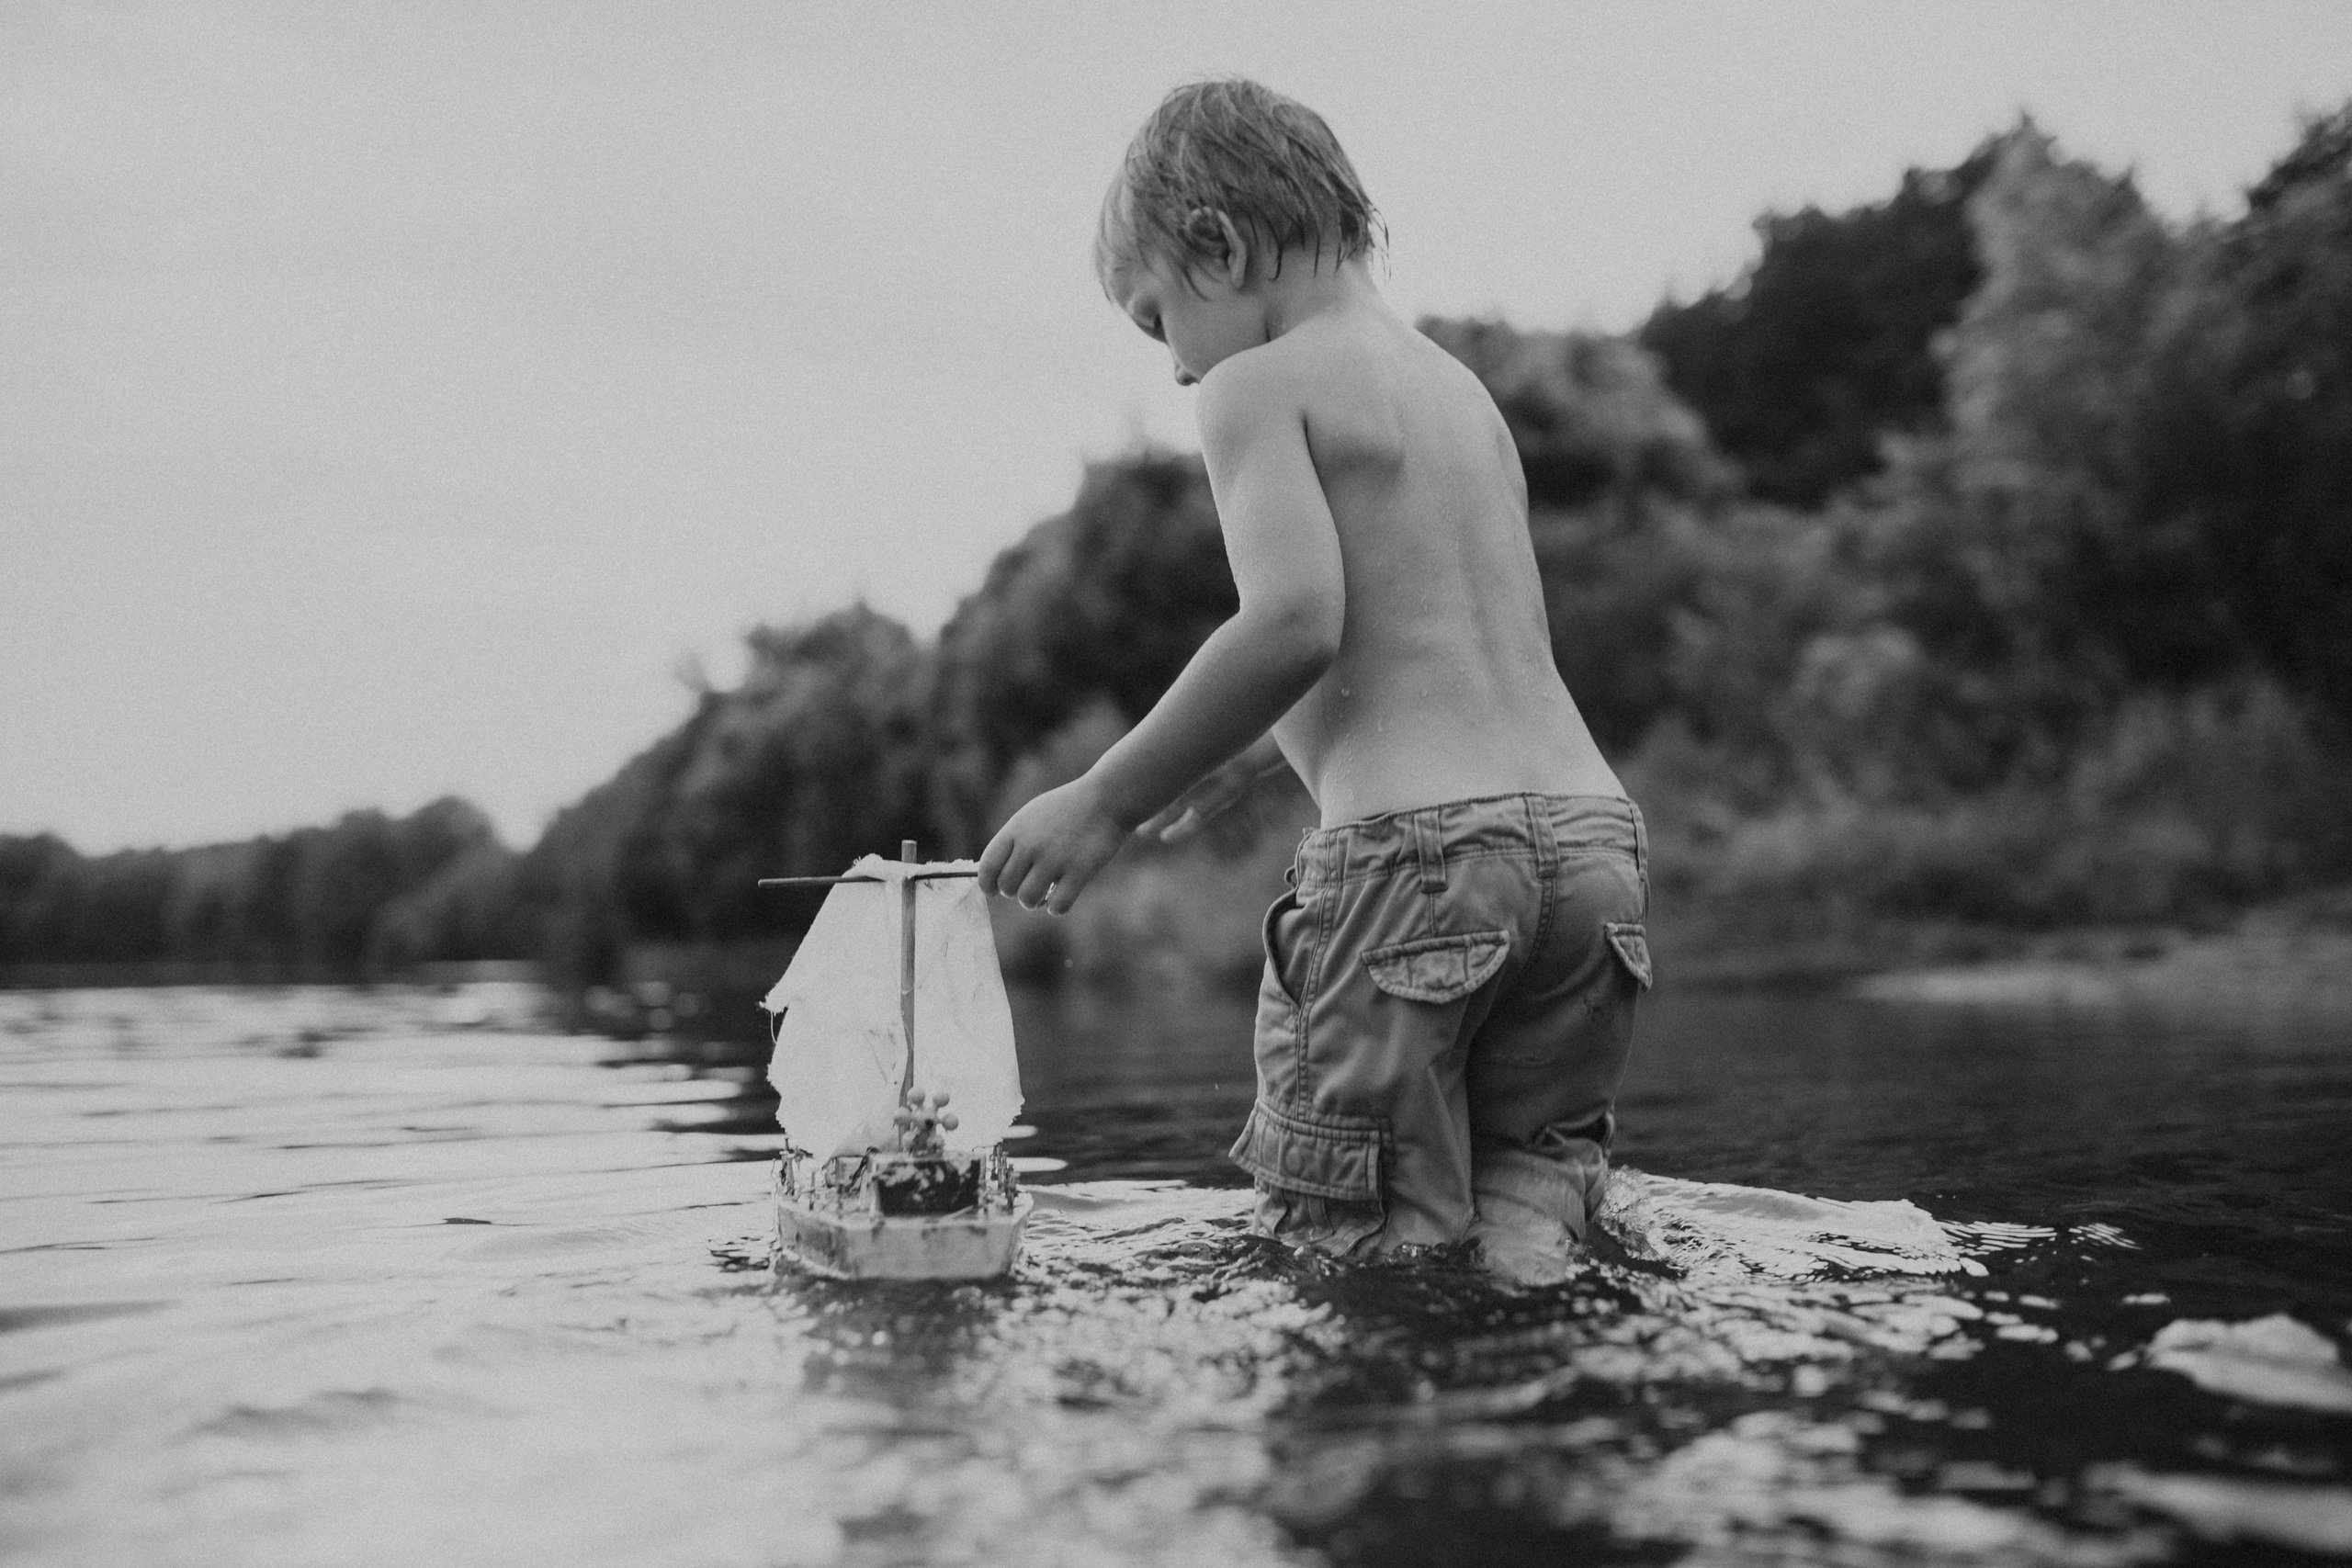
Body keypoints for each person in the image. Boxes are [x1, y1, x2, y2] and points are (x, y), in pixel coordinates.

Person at [977, 77, 1651, 1279]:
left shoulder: (1255, 386)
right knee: (1530, 1230)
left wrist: (1106, 798)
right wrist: (1239, 760)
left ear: (1215, 244)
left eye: (1154, 320)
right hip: (1592, 859)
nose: (1177, 371)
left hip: (1414, 873)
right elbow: (1423, 633)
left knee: (1362, 1256)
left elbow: (1295, 623)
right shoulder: (1464, 394)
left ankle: (1387, 1440)